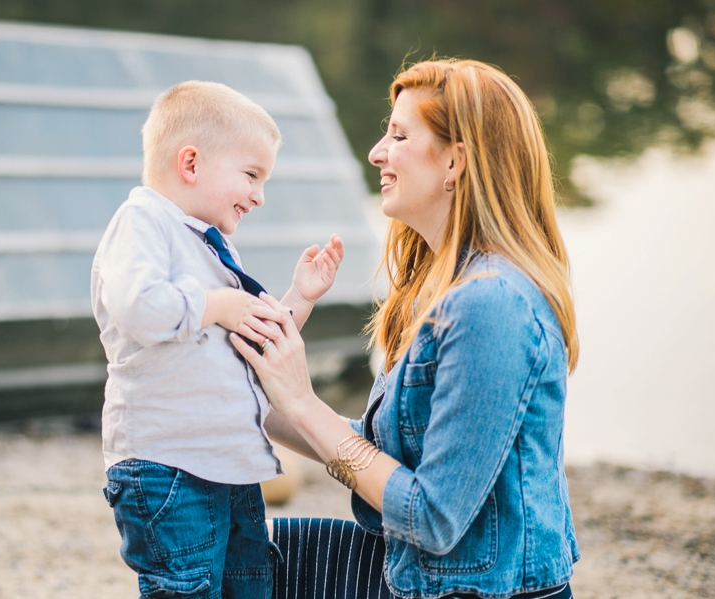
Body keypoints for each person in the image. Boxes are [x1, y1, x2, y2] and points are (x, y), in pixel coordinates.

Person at [231, 59, 581, 599]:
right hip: (424, 576)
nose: (376, 152)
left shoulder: (491, 305)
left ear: (455, 162)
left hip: (476, 590)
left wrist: (303, 403)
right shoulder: (445, 287)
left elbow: (433, 519)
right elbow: (380, 450)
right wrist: (255, 399)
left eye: (398, 135)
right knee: (226, 550)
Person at [90, 80, 344, 599]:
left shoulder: (210, 242)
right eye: (251, 175)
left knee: (251, 584)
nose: (259, 195)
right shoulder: (143, 223)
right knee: (187, 588)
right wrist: (221, 304)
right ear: (190, 164)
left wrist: (300, 296)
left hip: (229, 466)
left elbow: (255, 339)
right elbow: (138, 306)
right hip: (167, 467)